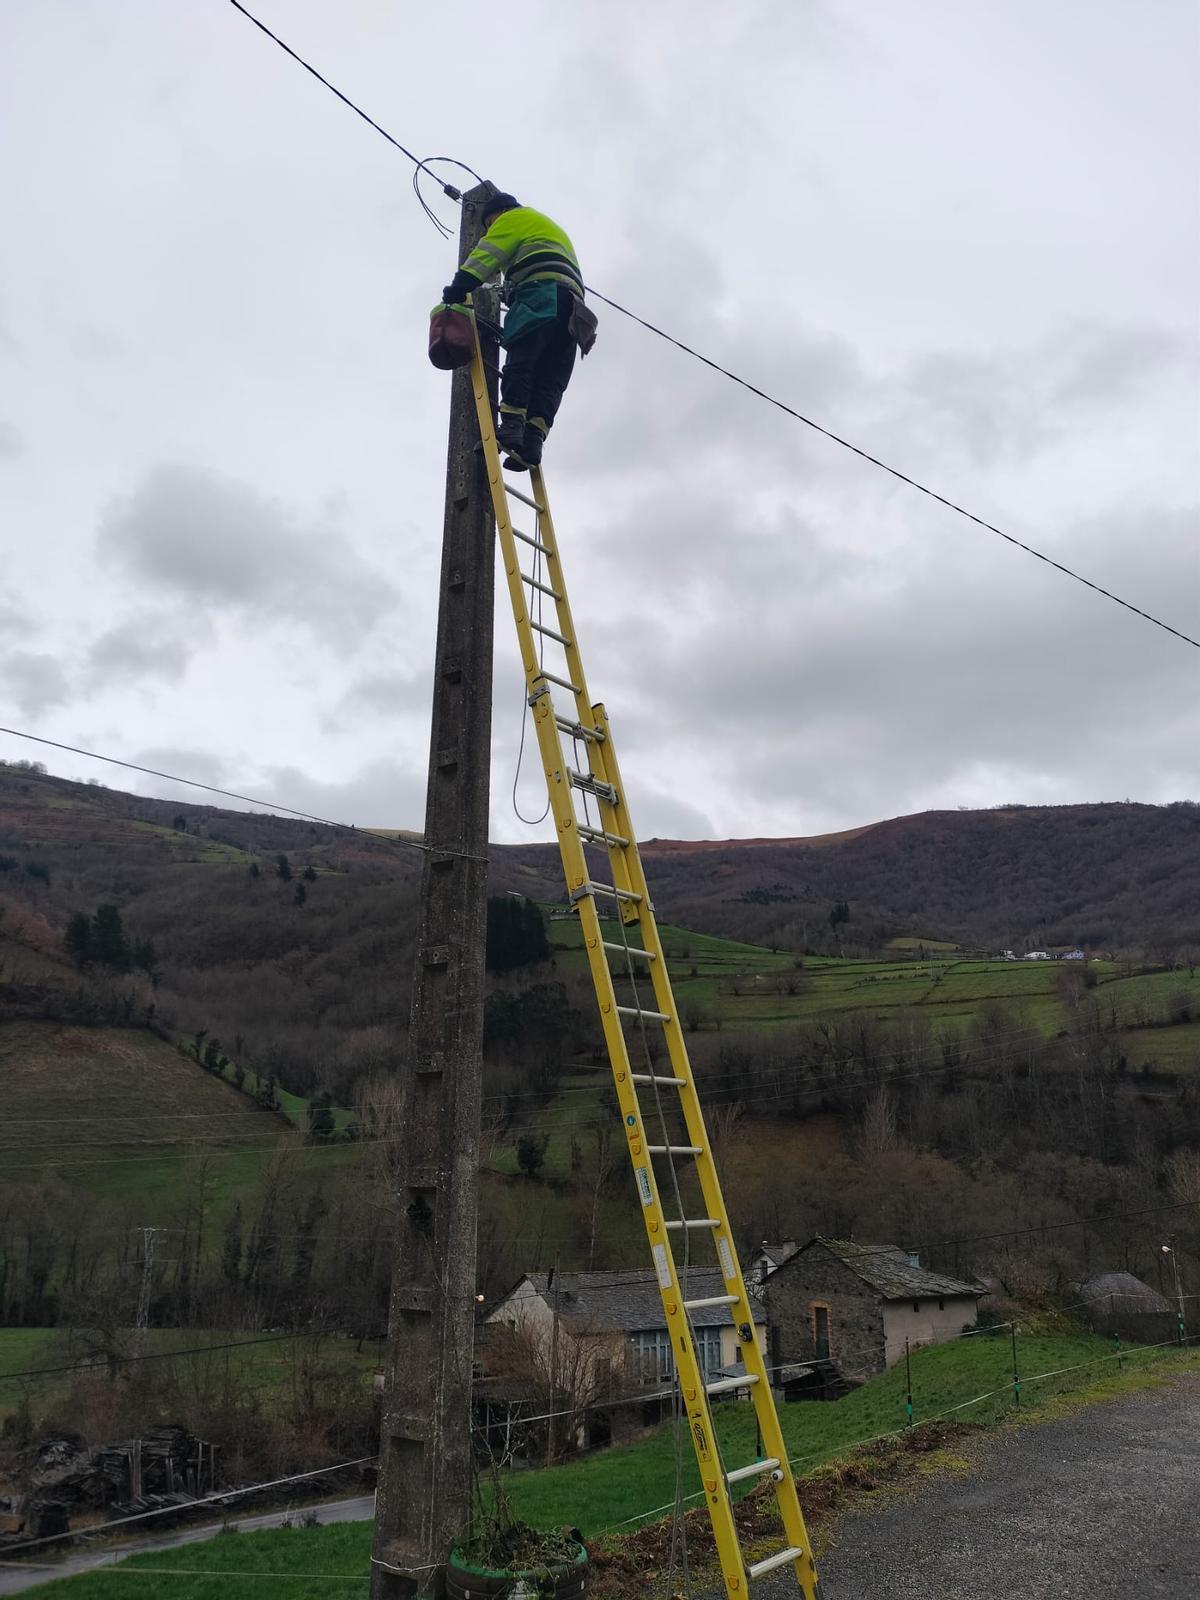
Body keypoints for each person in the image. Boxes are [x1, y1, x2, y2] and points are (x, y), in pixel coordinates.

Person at [441, 193, 596, 471]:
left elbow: (485, 256)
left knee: (522, 360)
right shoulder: (544, 225)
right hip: (574, 311)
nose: (489, 229)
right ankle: (534, 440)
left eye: (488, 224)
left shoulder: (511, 219)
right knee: (550, 377)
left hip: (541, 294)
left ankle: (512, 425)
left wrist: (457, 288)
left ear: (496, 213)